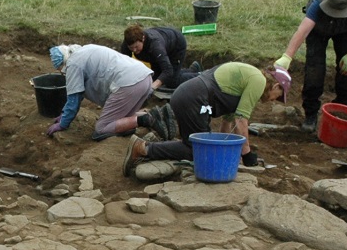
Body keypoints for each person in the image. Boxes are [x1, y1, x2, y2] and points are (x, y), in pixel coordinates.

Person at [122, 63, 291, 176]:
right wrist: (246, 154)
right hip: (194, 99)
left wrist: (227, 150)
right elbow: (241, 119)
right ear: (276, 86)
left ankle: (149, 145)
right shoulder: (258, 81)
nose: (272, 101)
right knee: (197, 150)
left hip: (189, 96)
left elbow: (228, 121)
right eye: (277, 97)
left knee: (201, 145)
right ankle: (143, 149)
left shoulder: (247, 77)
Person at [274, 0, 347, 131]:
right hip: (318, 31)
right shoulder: (319, 0)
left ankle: (341, 112)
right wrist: (287, 57)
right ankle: (311, 115)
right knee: (314, 70)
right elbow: (303, 30)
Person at [45, 44, 154, 141]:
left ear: (63, 64)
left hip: (128, 84)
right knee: (122, 119)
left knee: (101, 128)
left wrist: (63, 124)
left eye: (61, 71)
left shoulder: (73, 64)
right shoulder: (85, 49)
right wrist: (65, 113)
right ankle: (156, 116)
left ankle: (146, 119)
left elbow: (74, 98)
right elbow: (78, 90)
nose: (63, 74)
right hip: (145, 78)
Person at [119, 24, 201, 91]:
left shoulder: (155, 45)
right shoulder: (127, 44)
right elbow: (125, 66)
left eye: (136, 47)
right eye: (131, 48)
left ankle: (201, 76)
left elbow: (168, 70)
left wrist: (152, 88)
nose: (134, 50)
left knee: (172, 81)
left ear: (142, 39)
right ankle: (192, 70)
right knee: (155, 78)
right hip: (156, 54)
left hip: (175, 46)